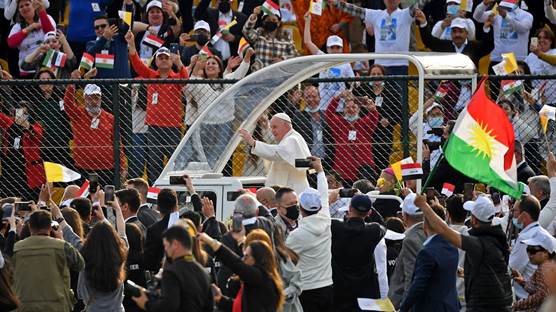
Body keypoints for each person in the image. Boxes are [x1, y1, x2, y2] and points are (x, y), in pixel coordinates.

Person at [414, 194, 513, 311]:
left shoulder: (479, 243)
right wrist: (466, 274)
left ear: (474, 221)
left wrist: (424, 206)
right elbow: (489, 274)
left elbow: (443, 230)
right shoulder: (497, 238)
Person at [126, 31, 188, 185]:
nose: (164, 60)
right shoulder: (151, 76)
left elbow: (186, 79)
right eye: (160, 57)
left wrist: (179, 62)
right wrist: (132, 43)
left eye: (167, 57)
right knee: (154, 163)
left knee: (175, 163)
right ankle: (155, 192)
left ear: (171, 61)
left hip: (172, 127)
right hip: (154, 128)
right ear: (156, 62)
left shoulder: (176, 78)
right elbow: (136, 63)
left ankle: (176, 191)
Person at [184, 47, 253, 167]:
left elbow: (240, 72)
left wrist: (247, 57)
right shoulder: (200, 82)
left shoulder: (227, 80)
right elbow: (189, 88)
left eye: (214, 63)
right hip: (205, 127)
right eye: (208, 63)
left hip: (225, 126)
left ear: (220, 68)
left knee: (225, 160)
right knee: (205, 160)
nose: (210, 65)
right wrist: (196, 67)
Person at [286, 156, 333, 312]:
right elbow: (324, 194)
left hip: (306, 289)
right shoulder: (326, 220)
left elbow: (283, 260)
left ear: (300, 208)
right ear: (319, 207)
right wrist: (319, 171)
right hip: (327, 285)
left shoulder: (296, 236)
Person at [12, 210, 85, 311]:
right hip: (57, 306)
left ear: (30, 227)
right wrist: (61, 239)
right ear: (50, 227)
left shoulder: (16, 248)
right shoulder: (62, 246)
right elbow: (80, 264)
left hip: (24, 306)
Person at [132, 226, 214, 312]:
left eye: (166, 245)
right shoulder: (203, 272)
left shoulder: (171, 272)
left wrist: (146, 304)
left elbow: (169, 306)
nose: (165, 249)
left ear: (175, 244)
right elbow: (210, 306)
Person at [64, 71, 124, 186]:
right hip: (83, 167)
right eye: (90, 98)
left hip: (107, 168)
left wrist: (122, 166)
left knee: (107, 200)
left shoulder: (110, 118)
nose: (93, 101)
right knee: (84, 200)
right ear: (84, 98)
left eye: (96, 98)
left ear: (101, 99)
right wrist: (72, 83)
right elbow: (68, 104)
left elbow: (118, 143)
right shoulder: (78, 114)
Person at [199, 232, 285, 312]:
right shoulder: (259, 279)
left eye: (246, 256)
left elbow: (235, 263)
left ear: (256, 259)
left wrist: (211, 242)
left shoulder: (260, 277)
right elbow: (243, 306)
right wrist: (221, 299)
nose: (243, 259)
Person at [399, 203, 459, 312]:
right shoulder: (452, 246)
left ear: (425, 223)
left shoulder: (427, 252)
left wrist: (403, 309)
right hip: (451, 306)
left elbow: (418, 285)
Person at [331, 194, 386, 310]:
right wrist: (369, 206)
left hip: (339, 288)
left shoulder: (335, 227)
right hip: (364, 290)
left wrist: (330, 201)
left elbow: (320, 219)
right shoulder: (374, 230)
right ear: (369, 213)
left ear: (349, 209)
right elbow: (383, 224)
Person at [239, 113, 311, 194]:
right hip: (291, 188)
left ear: (286, 126)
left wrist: (253, 143)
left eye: (275, 127)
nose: (272, 130)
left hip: (293, 189)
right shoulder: (290, 138)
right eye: (271, 127)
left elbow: (276, 153)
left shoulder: (292, 139)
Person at [352, 64, 401, 176]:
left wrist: (390, 121)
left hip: (384, 133)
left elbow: (400, 112)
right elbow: (352, 100)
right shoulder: (364, 89)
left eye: (379, 74)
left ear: (384, 76)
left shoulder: (391, 91)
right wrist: (356, 85)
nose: (376, 76)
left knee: (381, 161)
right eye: (373, 74)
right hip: (366, 131)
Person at [78, 208, 128, 312]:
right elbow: (122, 232)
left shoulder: (84, 254)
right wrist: (117, 210)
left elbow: (68, 232)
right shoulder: (120, 252)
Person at [303, 12, 355, 111]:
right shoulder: (322, 58)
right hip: (323, 108)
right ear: (327, 49)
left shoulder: (346, 64)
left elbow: (351, 83)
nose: (335, 50)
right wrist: (307, 22)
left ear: (342, 49)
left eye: (338, 47)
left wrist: (355, 82)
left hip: (339, 109)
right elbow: (307, 42)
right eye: (332, 47)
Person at [325, 90, 378, 184]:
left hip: (363, 168)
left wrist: (373, 109)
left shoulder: (364, 123)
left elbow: (373, 117)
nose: (351, 110)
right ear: (343, 110)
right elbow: (328, 114)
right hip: (343, 169)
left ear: (359, 109)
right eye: (347, 107)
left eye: (354, 107)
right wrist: (337, 98)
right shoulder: (339, 123)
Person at [388, 193, 426, 308]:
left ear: (404, 215)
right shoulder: (433, 232)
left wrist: (405, 307)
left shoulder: (410, 240)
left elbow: (412, 278)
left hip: (407, 304)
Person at [0, 102, 46, 199]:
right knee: (8, 198)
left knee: (28, 199)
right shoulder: (10, 123)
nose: (22, 115)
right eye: (20, 112)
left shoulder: (36, 125)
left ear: (30, 114)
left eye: (25, 113)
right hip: (11, 167)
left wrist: (27, 126)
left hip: (27, 170)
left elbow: (37, 134)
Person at [417, 12, 494, 67]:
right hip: (449, 86)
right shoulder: (445, 46)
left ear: (466, 33)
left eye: (460, 31)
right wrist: (423, 23)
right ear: (451, 33)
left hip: (471, 86)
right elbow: (429, 41)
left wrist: (486, 28)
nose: (457, 35)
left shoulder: (474, 47)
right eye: (454, 31)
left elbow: (489, 45)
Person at [473, 0, 533, 67]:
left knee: (517, 77)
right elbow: (477, 17)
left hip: (518, 60)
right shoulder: (496, 13)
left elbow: (522, 28)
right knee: (495, 77)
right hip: (498, 59)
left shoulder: (526, 15)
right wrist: (484, 4)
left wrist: (506, 16)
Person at [34, 68, 74, 168]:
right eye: (42, 79)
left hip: (61, 143)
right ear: (38, 83)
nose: (46, 82)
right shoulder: (33, 100)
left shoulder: (61, 96)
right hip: (41, 145)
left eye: (48, 78)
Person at [510, 195, 546, 300]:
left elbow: (513, 268)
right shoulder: (543, 234)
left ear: (524, 215)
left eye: (515, 210)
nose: (513, 214)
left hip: (524, 299)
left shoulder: (526, 238)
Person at [242, 5, 298, 72]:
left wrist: (283, 59)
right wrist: (254, 14)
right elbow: (246, 31)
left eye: (274, 20)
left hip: (280, 75)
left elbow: (295, 55)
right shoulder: (259, 33)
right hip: (260, 75)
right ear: (264, 22)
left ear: (279, 23)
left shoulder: (286, 36)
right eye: (268, 20)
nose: (271, 21)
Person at [7, 0, 55, 77]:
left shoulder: (46, 17)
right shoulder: (17, 26)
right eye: (21, 7)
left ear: (33, 5)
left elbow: (51, 34)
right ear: (19, 11)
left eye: (27, 4)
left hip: (46, 70)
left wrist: (41, 11)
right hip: (26, 70)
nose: (24, 8)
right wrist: (29, 28)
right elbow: (11, 43)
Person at [512, 231, 556, 311]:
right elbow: (537, 289)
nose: (529, 254)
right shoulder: (544, 267)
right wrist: (522, 282)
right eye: (528, 249)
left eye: (533, 251)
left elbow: (540, 296)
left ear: (546, 253)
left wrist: (515, 306)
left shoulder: (544, 269)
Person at [292, 86, 334, 164]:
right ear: (304, 99)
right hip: (305, 160)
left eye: (314, 96)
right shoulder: (298, 115)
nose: (311, 99)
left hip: (324, 160)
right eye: (308, 97)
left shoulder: (325, 116)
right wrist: (292, 104)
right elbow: (286, 119)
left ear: (320, 98)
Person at [86, 10, 133, 79]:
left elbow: (128, 25)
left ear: (109, 26)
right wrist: (104, 38)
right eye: (96, 27)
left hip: (123, 86)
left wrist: (128, 4)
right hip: (102, 87)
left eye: (103, 26)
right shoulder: (91, 43)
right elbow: (90, 53)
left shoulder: (121, 38)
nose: (100, 29)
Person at [143, 188, 180, 272]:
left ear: (158, 207)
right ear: (176, 205)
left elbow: (148, 262)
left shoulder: (153, 230)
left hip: (163, 276)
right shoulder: (186, 224)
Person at [445, 194, 469, 309]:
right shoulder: (473, 238)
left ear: (448, 214)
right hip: (466, 297)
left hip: (446, 298)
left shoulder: (439, 238)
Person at [525, 28, 556, 105]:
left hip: (553, 100)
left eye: (545, 38)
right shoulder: (531, 56)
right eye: (539, 38)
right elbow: (522, 68)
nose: (541, 40)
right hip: (534, 100)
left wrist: (539, 54)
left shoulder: (554, 52)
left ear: (551, 41)